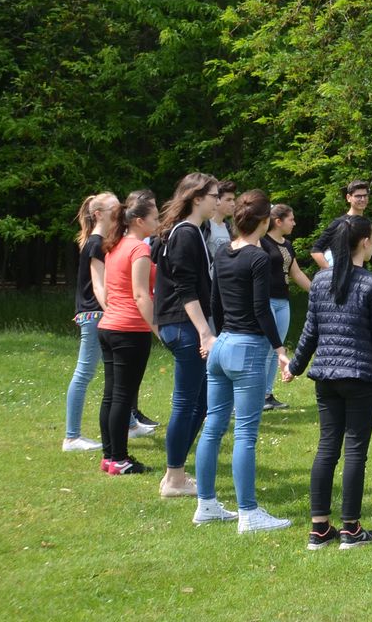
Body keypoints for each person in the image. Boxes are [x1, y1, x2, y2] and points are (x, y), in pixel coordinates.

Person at [286, 215, 372, 550]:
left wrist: (296, 367)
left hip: (326, 376)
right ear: (364, 243)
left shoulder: (320, 280)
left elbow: (310, 332)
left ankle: (319, 529)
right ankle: (350, 529)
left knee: (327, 448)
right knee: (355, 450)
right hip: (359, 377)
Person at [193, 189, 293, 533]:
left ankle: (206, 504)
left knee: (213, 427)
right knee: (245, 434)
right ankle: (248, 513)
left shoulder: (223, 251)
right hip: (247, 348)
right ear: (265, 221)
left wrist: (218, 335)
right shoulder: (259, 258)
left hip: (222, 345)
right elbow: (261, 309)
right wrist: (279, 349)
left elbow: (215, 302)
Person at [153, 173, 221, 499]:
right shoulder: (185, 234)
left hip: (183, 325)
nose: (217, 201)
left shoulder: (192, 231)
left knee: (202, 401)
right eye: (214, 195)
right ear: (197, 198)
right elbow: (185, 289)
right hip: (184, 326)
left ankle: (174, 473)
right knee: (186, 402)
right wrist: (205, 332)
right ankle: (174, 479)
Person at [99, 190, 160, 474]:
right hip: (129, 330)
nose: (158, 223)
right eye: (154, 218)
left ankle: (109, 457)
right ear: (138, 221)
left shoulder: (115, 245)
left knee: (112, 395)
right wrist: (158, 329)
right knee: (123, 396)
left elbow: (113, 290)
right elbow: (140, 294)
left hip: (109, 327)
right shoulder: (139, 249)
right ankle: (120, 460)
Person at [63, 192, 117, 452]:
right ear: (98, 214)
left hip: (96, 314)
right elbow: (98, 286)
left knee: (115, 369)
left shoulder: (98, 242)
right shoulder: (95, 243)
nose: (120, 213)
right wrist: (112, 311)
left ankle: (129, 422)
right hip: (95, 314)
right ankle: (71, 437)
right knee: (84, 372)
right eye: (114, 209)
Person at [259, 203, 308, 414]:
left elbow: (296, 273)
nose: (294, 223)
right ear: (278, 222)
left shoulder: (287, 245)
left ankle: (267, 394)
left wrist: (317, 291)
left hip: (283, 301)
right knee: (265, 348)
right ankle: (256, 395)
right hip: (266, 300)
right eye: (291, 219)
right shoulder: (261, 242)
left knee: (276, 350)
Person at [310, 180, 371, 270]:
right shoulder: (339, 223)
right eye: (358, 196)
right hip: (343, 276)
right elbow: (316, 250)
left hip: (361, 275)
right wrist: (331, 271)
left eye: (365, 196)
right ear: (348, 198)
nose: (362, 199)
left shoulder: (368, 223)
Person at [206, 180, 237, 261]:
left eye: (233, 199)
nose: (233, 204)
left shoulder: (229, 228)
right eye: (228, 200)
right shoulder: (205, 226)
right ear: (217, 200)